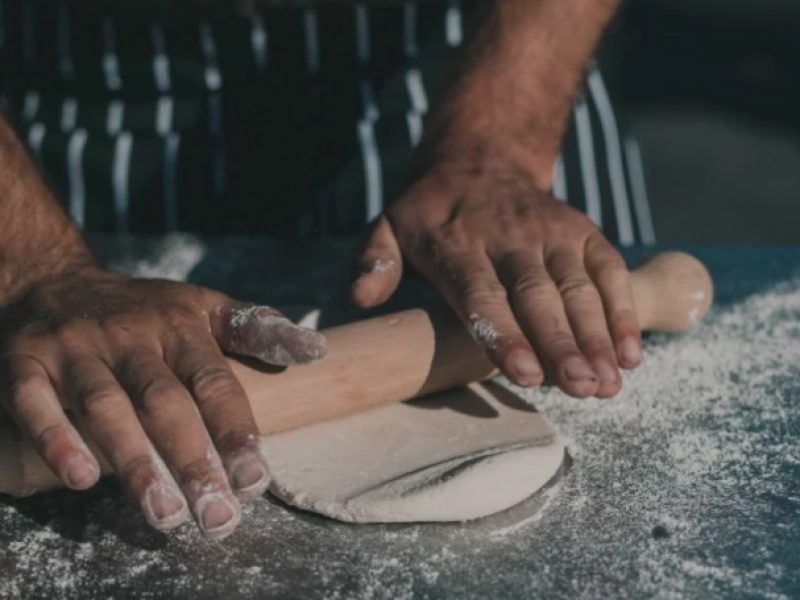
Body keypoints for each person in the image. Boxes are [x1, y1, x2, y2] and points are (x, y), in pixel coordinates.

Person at [0, 0, 650, 539]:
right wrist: (34, 265)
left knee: (558, 304)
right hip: (94, 100)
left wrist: (500, 144)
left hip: (481, 55)